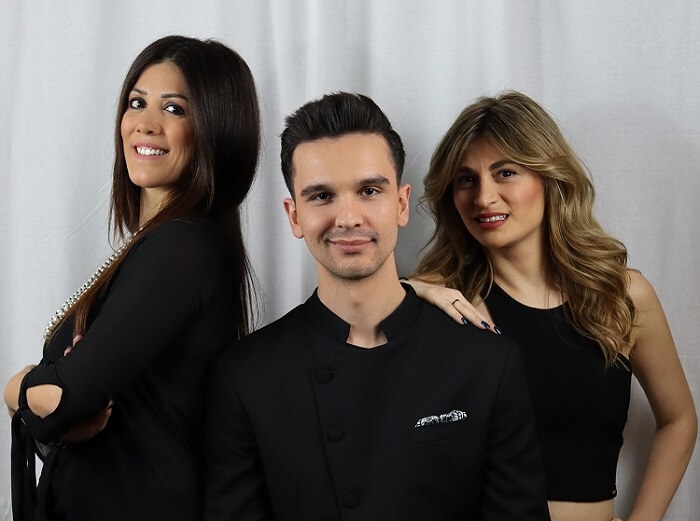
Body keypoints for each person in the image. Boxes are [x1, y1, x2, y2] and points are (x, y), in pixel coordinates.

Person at [203, 92, 551, 521]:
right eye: (321, 196)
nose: (348, 217)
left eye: (369, 191)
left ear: (401, 204)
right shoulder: (244, 376)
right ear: (294, 216)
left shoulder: (487, 363)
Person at [408, 90, 697, 521]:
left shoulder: (621, 297)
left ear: (548, 177)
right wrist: (408, 291)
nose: (483, 197)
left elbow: (679, 420)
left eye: (505, 172)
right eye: (466, 179)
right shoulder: (448, 304)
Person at [4, 35, 260, 521]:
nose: (145, 123)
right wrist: (51, 398)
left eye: (174, 109)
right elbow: (60, 405)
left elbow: (63, 399)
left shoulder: (183, 247)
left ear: (217, 129)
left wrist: (14, 388)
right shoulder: (160, 246)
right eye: (137, 103)